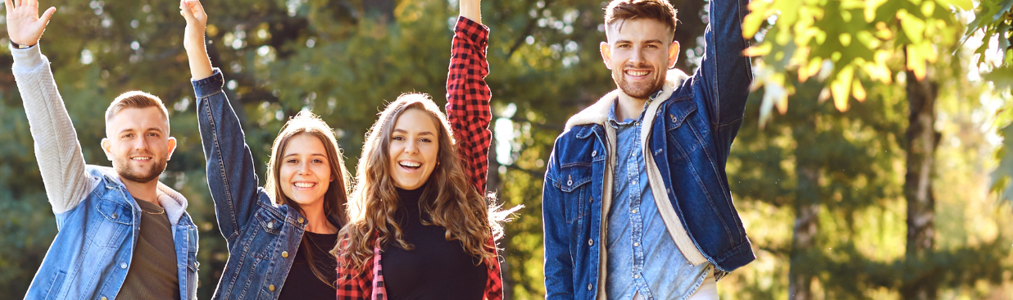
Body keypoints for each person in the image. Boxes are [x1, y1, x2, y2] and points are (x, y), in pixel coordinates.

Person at [539, 0, 753, 298]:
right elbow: (559, 264)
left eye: (651, 46)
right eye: (624, 45)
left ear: (672, 53)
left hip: (687, 291)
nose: (636, 58)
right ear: (607, 53)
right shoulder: (572, 146)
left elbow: (729, 45)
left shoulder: (698, 112)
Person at [5, 0, 199, 299]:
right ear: (108, 148)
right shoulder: (83, 197)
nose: (141, 145)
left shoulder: (182, 227)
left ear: (169, 147)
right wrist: (27, 53)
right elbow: (53, 136)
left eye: (152, 134)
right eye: (128, 135)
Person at [332, 0, 511, 298]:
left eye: (425, 139)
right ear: (383, 149)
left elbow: (467, 93)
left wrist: (469, 5)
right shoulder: (360, 241)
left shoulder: (465, 201)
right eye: (399, 138)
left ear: (441, 152)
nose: (411, 149)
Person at [179, 1, 353, 299]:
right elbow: (225, 146)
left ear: (333, 173)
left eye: (316, 160)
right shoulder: (256, 224)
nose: (304, 170)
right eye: (293, 160)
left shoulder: (357, 246)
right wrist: (196, 44)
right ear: (279, 170)